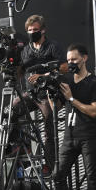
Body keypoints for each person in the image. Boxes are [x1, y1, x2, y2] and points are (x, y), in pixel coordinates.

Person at [53, 43, 96, 190]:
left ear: (85, 58)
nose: (71, 63)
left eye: (74, 59)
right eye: (68, 60)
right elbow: (56, 108)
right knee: (57, 175)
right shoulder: (66, 80)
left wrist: (71, 99)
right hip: (69, 135)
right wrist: (54, 96)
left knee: (93, 178)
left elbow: (94, 111)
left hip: (89, 135)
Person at [17, 14, 67, 161]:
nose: (32, 32)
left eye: (35, 29)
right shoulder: (25, 50)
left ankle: (50, 163)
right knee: (11, 111)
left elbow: (64, 67)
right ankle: (15, 148)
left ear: (43, 30)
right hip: (30, 93)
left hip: (47, 94)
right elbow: (19, 73)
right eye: (30, 30)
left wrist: (45, 75)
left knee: (49, 127)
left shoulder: (53, 46)